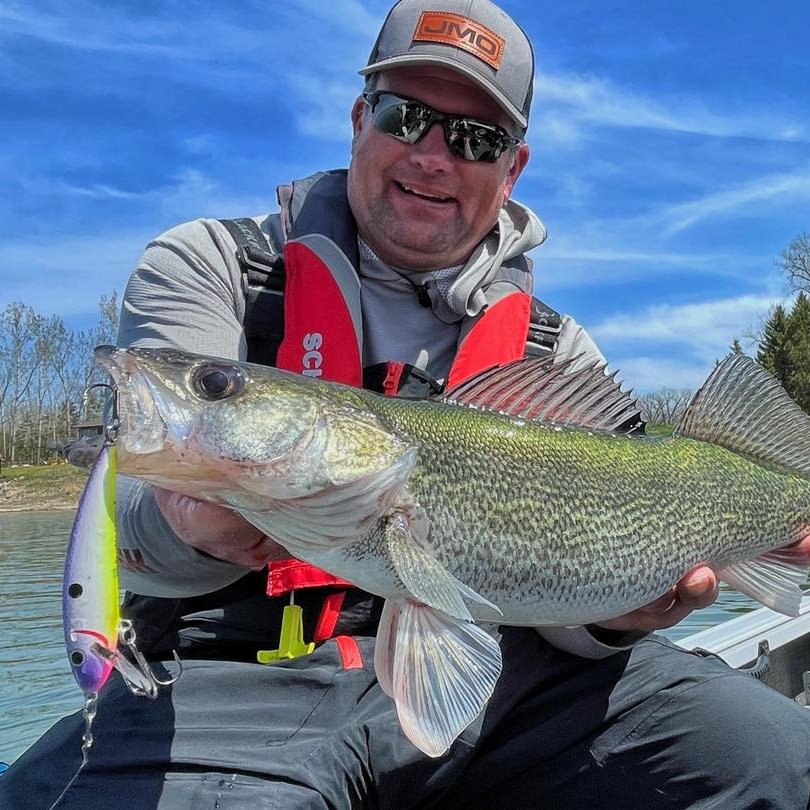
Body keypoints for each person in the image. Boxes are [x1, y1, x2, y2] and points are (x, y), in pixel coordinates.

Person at [5, 0, 810, 807]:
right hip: (228, 685)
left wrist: (617, 617)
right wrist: (192, 525)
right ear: (360, 120)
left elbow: (569, 616)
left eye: (475, 138)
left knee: (779, 759)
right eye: (407, 116)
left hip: (509, 696)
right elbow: (125, 518)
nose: (434, 156)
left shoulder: (558, 352)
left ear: (513, 168)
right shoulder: (211, 267)